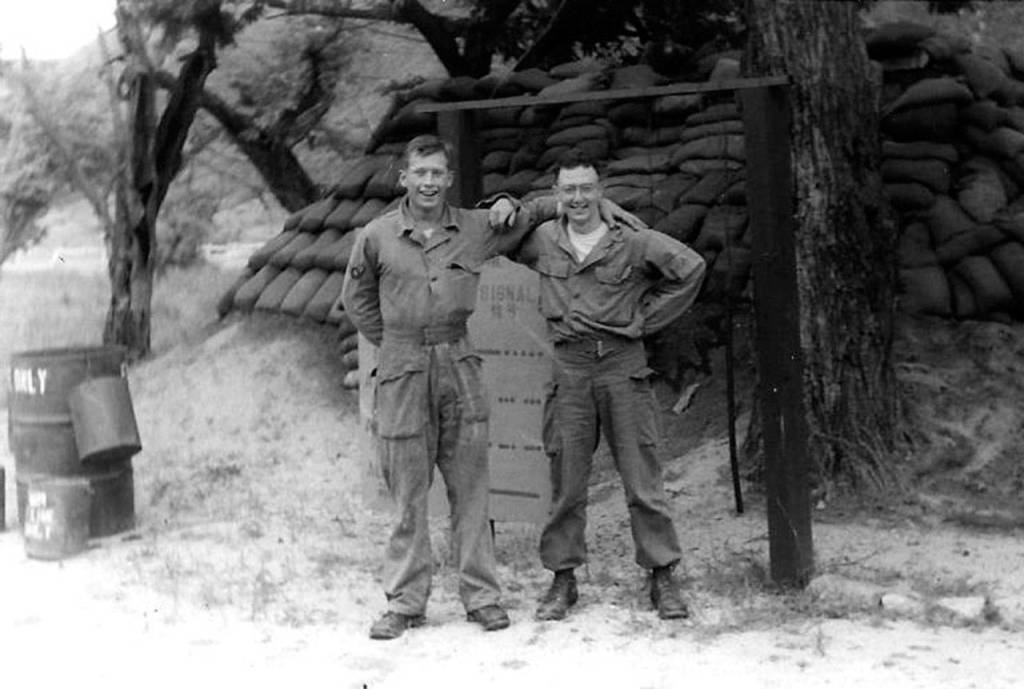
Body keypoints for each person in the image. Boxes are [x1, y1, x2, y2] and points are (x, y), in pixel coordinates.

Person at [341, 135, 639, 640]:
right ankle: (406, 601)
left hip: (459, 361)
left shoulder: (476, 229)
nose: (430, 182)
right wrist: (398, 343)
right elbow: (358, 299)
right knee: (408, 492)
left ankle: (481, 596)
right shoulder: (376, 235)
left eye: (438, 173)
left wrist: (511, 202)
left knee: (472, 487)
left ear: (449, 179)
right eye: (421, 173)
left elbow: (548, 206)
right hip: (403, 366)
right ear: (404, 179)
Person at [508, 149, 707, 621]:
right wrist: (534, 206)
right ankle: (563, 579)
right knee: (567, 481)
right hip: (570, 371)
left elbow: (691, 268)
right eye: (568, 189)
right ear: (558, 195)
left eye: (586, 188)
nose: (578, 198)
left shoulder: (633, 241)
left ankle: (661, 575)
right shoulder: (542, 240)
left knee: (642, 478)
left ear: (601, 192)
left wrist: (644, 319)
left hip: (622, 367)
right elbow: (495, 233)